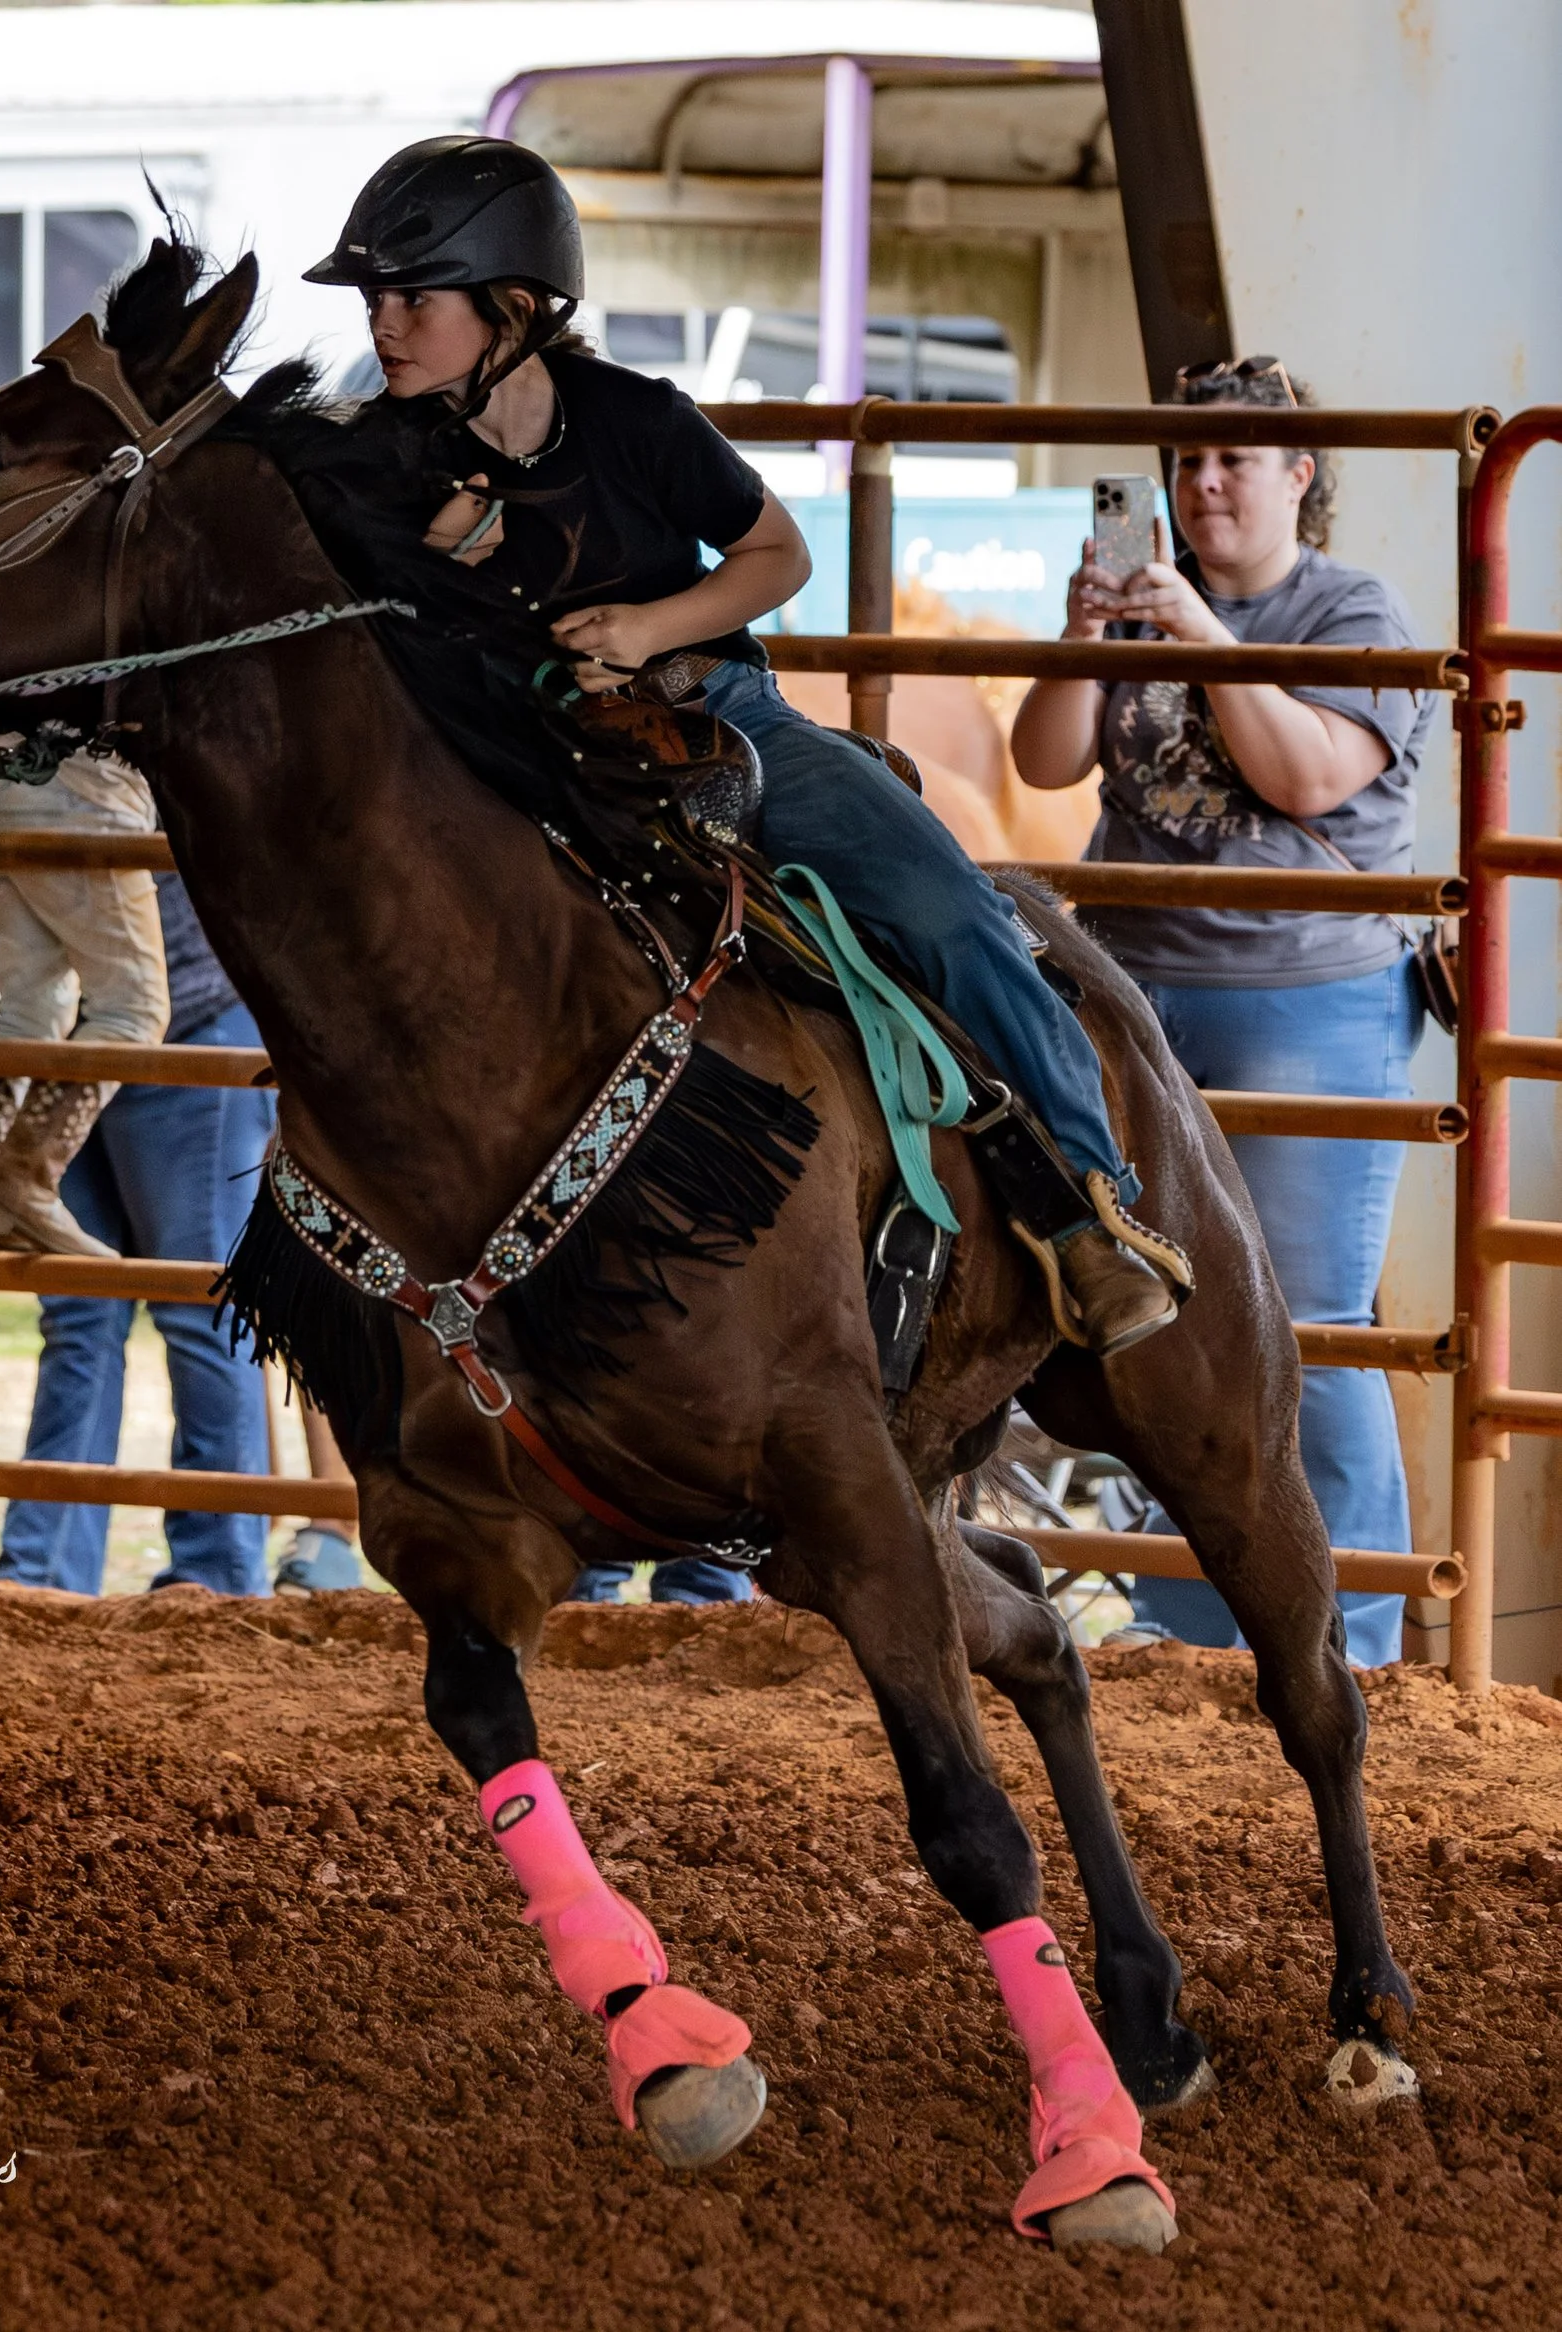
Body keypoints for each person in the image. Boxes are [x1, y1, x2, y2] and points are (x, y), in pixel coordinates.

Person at [301, 138, 1189, 1371]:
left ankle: (1092, 1209)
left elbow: (778, 555)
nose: (383, 325)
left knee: (948, 906)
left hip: (715, 711)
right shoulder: (370, 453)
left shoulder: (637, 422)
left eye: (411, 297)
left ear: (510, 310)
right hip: (512, 752)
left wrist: (647, 627)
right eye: (373, 302)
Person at [1009, 357, 1425, 1669]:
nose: (1205, 483)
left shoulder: (1355, 610)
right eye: (1187, 462)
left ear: (1301, 477)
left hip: (1304, 989)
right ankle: (1197, 1626)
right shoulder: (1137, 604)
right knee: (1158, 1315)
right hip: (1131, 993)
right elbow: (1044, 758)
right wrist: (1089, 634)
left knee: (1307, 1321)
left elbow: (1303, 777)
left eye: (1235, 458)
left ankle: (1348, 1627)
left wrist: (1193, 628)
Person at [0, 873, 277, 1596]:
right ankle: (43, 1571)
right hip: (72, 1042)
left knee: (197, 1302)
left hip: (183, 1023)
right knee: (78, 1308)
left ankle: (216, 1574)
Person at [0, 746, 169, 1260]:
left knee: (27, 1012)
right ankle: (21, 1183)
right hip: (93, 799)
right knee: (133, 1010)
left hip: (6, 793)